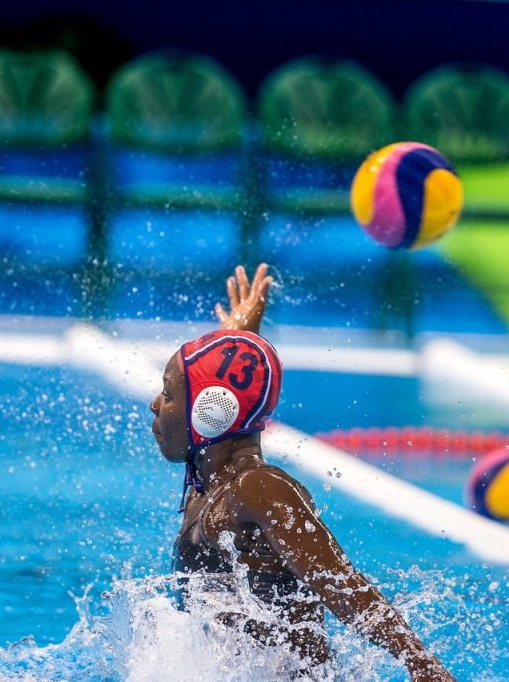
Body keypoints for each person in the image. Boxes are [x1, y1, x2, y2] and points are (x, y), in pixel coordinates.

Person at [150, 263, 456, 681]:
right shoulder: (211, 485)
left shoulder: (259, 488)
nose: (155, 404)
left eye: (168, 394)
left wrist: (424, 669)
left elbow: (344, 585)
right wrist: (237, 339)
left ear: (212, 413)